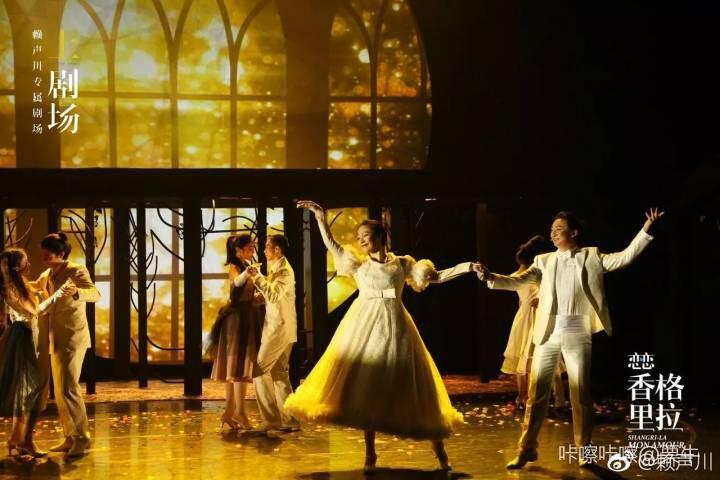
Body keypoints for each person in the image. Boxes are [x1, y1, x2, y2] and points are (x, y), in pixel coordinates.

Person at [287, 200, 478, 473]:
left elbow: (436, 277)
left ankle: (440, 452)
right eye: (359, 237)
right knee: (367, 387)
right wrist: (319, 217)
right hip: (364, 328)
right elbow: (333, 246)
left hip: (396, 327)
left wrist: (467, 267)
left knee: (415, 387)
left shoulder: (402, 263)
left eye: (366, 235)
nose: (361, 240)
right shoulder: (359, 266)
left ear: (380, 236)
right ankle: (370, 453)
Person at [476, 209, 664, 469]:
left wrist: (645, 230)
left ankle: (584, 450)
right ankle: (527, 449)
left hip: (577, 331)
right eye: (552, 229)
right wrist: (491, 277)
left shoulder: (591, 256)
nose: (553, 233)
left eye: (559, 228)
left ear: (573, 232)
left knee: (580, 395)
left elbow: (624, 258)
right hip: (547, 333)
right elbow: (517, 280)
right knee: (536, 394)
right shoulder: (543, 261)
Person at [0, 248, 70, 458]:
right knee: (34, 390)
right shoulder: (13, 286)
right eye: (25, 261)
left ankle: (16, 440)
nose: (28, 264)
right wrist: (58, 293)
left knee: (25, 391)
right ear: (17, 267)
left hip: (23, 334)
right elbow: (35, 311)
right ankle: (25, 441)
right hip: (24, 337)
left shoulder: (16, 284)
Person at [39, 232, 100, 457]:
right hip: (54, 337)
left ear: (61, 253)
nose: (45, 258)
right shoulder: (47, 274)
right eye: (44, 254)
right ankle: (70, 436)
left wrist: (77, 292)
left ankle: (82, 438)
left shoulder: (76, 270)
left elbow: (95, 294)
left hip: (73, 336)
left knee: (69, 388)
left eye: (48, 254)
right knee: (59, 390)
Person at [207, 234, 263, 430]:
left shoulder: (247, 266)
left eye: (253, 248)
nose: (252, 251)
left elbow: (249, 292)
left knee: (237, 368)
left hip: (247, 316)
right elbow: (237, 284)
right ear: (238, 250)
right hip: (237, 320)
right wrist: (248, 272)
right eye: (249, 248)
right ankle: (239, 412)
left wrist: (259, 296)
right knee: (238, 367)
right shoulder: (236, 267)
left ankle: (229, 412)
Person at [246, 234, 300, 433]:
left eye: (267, 246)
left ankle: (270, 420)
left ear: (277, 249)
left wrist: (256, 276)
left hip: (279, 330)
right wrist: (258, 297)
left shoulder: (284, 271)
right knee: (280, 374)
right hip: (282, 328)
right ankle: (290, 420)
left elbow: (274, 294)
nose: (264, 250)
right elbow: (273, 296)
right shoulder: (277, 268)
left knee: (259, 370)